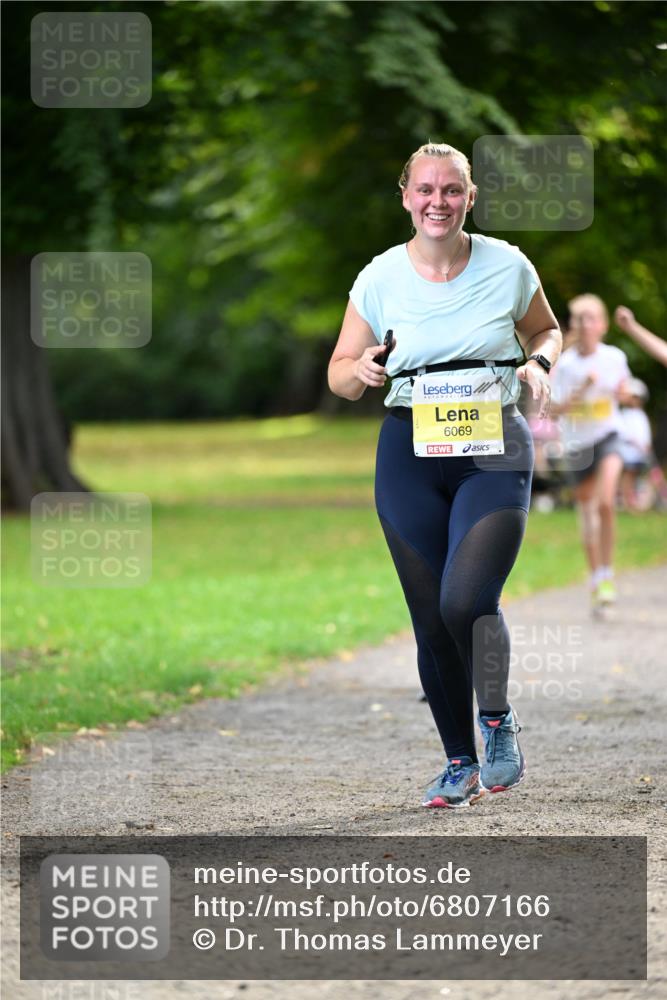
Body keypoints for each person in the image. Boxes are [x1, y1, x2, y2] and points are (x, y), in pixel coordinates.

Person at [327, 142, 561, 808]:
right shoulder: (378, 277)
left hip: (490, 446)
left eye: (451, 190)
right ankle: (457, 761)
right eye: (425, 189)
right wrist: (362, 370)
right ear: (405, 195)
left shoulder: (507, 264)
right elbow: (339, 374)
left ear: (469, 197)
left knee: (465, 598)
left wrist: (537, 365)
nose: (438, 201)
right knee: (430, 616)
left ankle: (497, 719)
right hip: (407, 450)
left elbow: (546, 332)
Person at [551, 294, 632, 611]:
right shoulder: (567, 364)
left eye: (591, 318)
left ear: (603, 325)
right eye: (579, 319)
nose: (585, 324)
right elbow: (554, 410)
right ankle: (596, 575)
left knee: (606, 503)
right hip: (578, 445)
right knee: (587, 514)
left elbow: (625, 393)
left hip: (609, 435)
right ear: (573, 324)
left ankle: (609, 572)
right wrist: (583, 388)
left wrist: (626, 394)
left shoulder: (615, 357)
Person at [618, 379, 654, 511]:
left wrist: (646, 446)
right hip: (629, 453)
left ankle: (637, 503)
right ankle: (628, 503)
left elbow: (645, 434)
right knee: (628, 477)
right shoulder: (625, 415)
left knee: (636, 477)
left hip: (640, 454)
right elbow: (624, 433)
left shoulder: (641, 415)